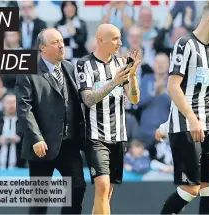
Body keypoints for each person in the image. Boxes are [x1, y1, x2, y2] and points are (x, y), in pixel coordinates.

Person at [159, 1, 209, 214]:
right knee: (190, 188)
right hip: (186, 126)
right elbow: (173, 87)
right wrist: (192, 118)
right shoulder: (185, 44)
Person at [16, 28, 86, 214]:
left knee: (77, 187)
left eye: (61, 41)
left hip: (68, 144)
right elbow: (24, 108)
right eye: (55, 42)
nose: (61, 45)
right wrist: (36, 138)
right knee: (40, 201)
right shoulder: (28, 72)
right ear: (42, 48)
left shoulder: (69, 67)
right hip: (42, 146)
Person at [74, 23, 140, 215]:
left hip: (119, 135)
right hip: (95, 135)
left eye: (120, 38)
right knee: (102, 185)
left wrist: (132, 76)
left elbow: (134, 99)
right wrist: (114, 82)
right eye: (115, 39)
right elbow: (88, 99)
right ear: (100, 40)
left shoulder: (120, 64)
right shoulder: (84, 64)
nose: (120, 43)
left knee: (107, 191)